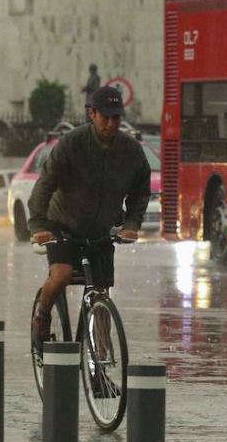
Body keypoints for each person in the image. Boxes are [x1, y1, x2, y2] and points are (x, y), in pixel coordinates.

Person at [29, 86, 151, 363]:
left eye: (116, 118)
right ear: (91, 114)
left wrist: (131, 223)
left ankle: (101, 359)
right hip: (62, 223)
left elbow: (141, 190)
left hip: (100, 230)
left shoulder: (131, 151)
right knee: (60, 275)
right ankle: (42, 316)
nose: (110, 124)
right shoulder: (72, 144)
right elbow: (45, 184)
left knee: (100, 291)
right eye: (104, 117)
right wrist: (37, 225)